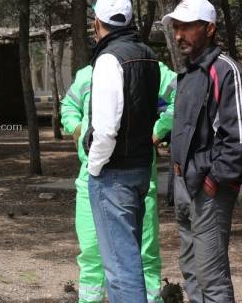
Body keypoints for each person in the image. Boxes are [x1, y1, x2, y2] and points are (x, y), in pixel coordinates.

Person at [62, 59, 176, 303]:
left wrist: (158, 130)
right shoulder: (88, 73)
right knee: (91, 252)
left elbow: (181, 95)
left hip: (137, 177)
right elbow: (69, 105)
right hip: (91, 177)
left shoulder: (151, 68)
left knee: (143, 253)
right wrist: (78, 128)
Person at [163, 0, 242, 302]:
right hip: (184, 186)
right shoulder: (188, 73)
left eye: (187, 27)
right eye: (177, 27)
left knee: (211, 279)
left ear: (210, 28)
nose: (179, 35)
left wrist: (213, 181)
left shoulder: (226, 71)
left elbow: (241, 139)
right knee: (192, 273)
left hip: (209, 191)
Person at [80, 0, 160, 302]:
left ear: (96, 23)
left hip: (113, 174)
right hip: (140, 168)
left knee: (120, 267)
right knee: (127, 258)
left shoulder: (108, 59)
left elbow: (105, 129)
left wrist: (94, 166)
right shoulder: (148, 55)